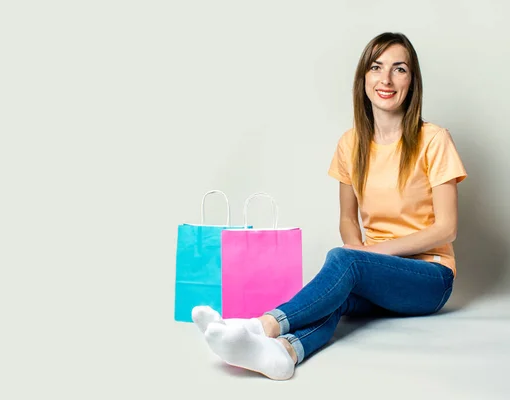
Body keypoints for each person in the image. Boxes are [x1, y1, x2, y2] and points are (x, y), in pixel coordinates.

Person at [190, 32, 467, 381]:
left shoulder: (434, 140)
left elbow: (447, 228)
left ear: (412, 82)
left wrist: (369, 256)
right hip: (374, 270)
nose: (386, 79)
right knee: (334, 296)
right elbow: (348, 219)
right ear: (363, 78)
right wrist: (362, 258)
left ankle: (260, 326)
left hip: (430, 277)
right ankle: (284, 353)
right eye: (376, 67)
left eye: (400, 69)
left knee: (343, 260)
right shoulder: (351, 144)